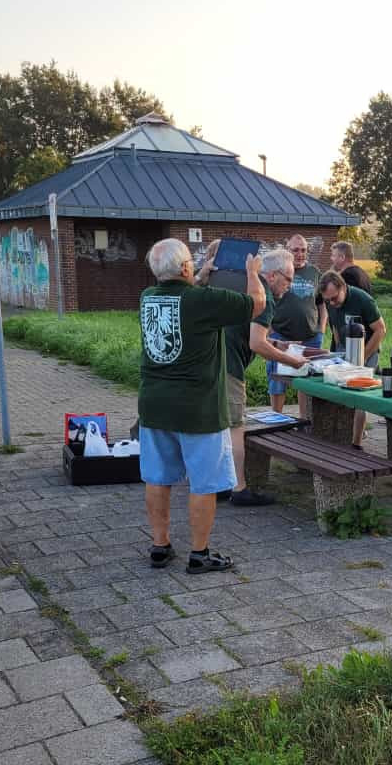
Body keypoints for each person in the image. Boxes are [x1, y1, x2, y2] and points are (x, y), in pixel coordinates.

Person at [137, 238, 265, 574]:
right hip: (199, 409)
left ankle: (160, 546)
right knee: (204, 483)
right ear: (184, 267)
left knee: (157, 478)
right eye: (190, 264)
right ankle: (199, 553)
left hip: (154, 405)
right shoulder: (203, 301)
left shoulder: (147, 297)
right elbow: (257, 304)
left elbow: (180, 299)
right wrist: (253, 272)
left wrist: (200, 276)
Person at [222, 246, 309, 504]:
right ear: (272, 276)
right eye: (288, 279)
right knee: (235, 427)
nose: (289, 286)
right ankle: (239, 489)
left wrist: (276, 343)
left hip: (209, 362)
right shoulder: (266, 298)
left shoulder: (245, 286)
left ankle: (218, 484)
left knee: (217, 427)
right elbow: (256, 344)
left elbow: (250, 333)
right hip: (229, 367)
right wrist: (292, 361)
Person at [318, 270, 387, 447]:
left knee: (359, 397)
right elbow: (334, 326)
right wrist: (337, 352)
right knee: (339, 390)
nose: (332, 303)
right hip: (344, 348)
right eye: (328, 300)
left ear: (343, 287)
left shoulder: (362, 299)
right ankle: (338, 438)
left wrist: (362, 357)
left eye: (334, 298)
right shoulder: (330, 301)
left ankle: (356, 443)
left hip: (367, 348)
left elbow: (381, 330)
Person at [266, 233, 326, 415]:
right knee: (277, 380)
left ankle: (304, 421)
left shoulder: (314, 272)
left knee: (306, 381)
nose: (300, 254)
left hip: (310, 337)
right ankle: (277, 419)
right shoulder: (279, 272)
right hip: (281, 335)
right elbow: (267, 301)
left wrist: (321, 329)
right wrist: (269, 332)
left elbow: (322, 304)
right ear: (288, 250)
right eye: (295, 250)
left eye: (303, 250)